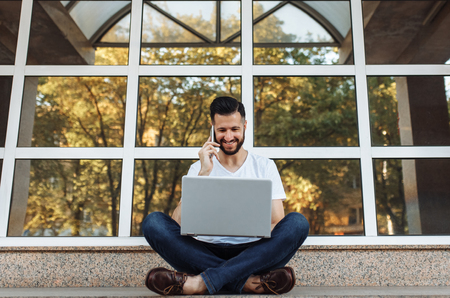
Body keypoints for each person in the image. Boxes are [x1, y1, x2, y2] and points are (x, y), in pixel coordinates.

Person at [142, 96, 309, 295]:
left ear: (245, 126)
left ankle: (202, 282)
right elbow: (177, 223)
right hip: (203, 250)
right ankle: (244, 281)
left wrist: (252, 229)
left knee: (297, 223)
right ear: (212, 127)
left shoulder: (265, 166)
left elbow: (276, 223)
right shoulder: (198, 168)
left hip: (253, 252)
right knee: (153, 223)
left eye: (234, 129)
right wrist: (203, 174)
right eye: (221, 130)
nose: (228, 137)